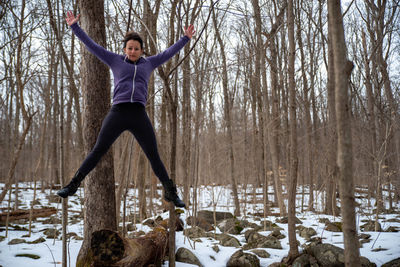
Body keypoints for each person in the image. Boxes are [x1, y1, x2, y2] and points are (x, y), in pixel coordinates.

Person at [57, 11, 195, 208]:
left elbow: (168, 53)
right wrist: (75, 27)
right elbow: (92, 46)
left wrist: (185, 39)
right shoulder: (114, 60)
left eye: (136, 48)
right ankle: (72, 186)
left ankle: (170, 193)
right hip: (118, 113)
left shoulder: (149, 63)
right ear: (124, 49)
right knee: (98, 150)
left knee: (153, 155)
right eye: (129, 48)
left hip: (138, 114)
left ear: (142, 50)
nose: (132, 51)